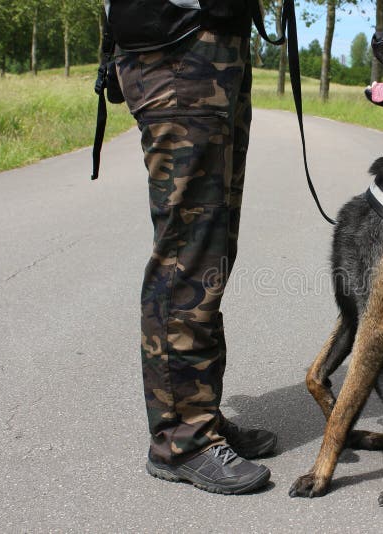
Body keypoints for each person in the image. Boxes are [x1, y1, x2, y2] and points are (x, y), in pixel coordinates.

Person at [108, 0, 277, 495]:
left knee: (211, 253)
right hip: (176, 48)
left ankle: (200, 416)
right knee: (188, 253)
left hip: (213, 46)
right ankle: (181, 440)